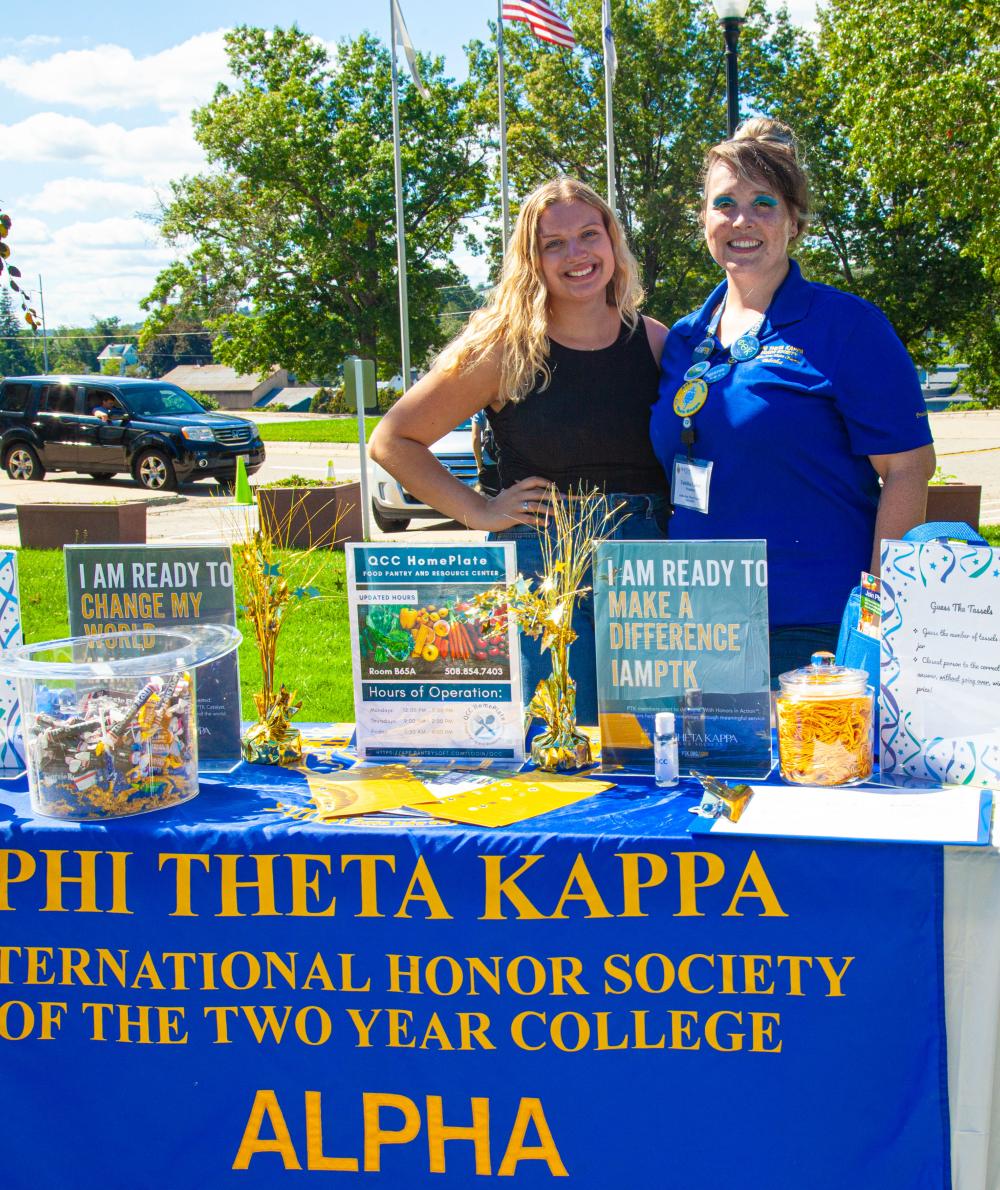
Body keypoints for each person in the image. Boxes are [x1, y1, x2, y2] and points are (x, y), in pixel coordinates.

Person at [369, 176, 669, 723]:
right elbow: (393, 440)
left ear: (612, 241)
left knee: (651, 740)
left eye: (588, 234)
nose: (576, 254)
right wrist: (479, 509)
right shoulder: (505, 347)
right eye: (554, 243)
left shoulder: (653, 340)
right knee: (556, 739)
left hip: (649, 561)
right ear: (531, 258)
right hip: (546, 558)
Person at [649, 118, 936, 681]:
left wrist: (877, 619)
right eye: (724, 203)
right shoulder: (684, 338)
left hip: (812, 628)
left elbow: (909, 469)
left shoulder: (848, 327)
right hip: (694, 625)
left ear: (794, 220)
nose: (742, 221)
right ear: (704, 218)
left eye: (764, 203)